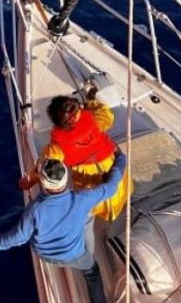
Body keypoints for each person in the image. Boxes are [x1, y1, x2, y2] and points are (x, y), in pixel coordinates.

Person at [0, 155, 128, 303]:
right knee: (92, 272)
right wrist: (121, 159)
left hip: (45, 256)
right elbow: (110, 187)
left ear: (43, 183)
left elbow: (19, 237)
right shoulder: (82, 199)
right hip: (75, 255)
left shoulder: (34, 209)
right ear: (65, 179)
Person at [19, 85, 134, 221]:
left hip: (94, 195)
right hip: (120, 182)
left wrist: (29, 182)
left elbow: (43, 171)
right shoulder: (96, 121)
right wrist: (91, 102)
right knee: (121, 190)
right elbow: (105, 112)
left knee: (90, 204)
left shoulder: (56, 149)